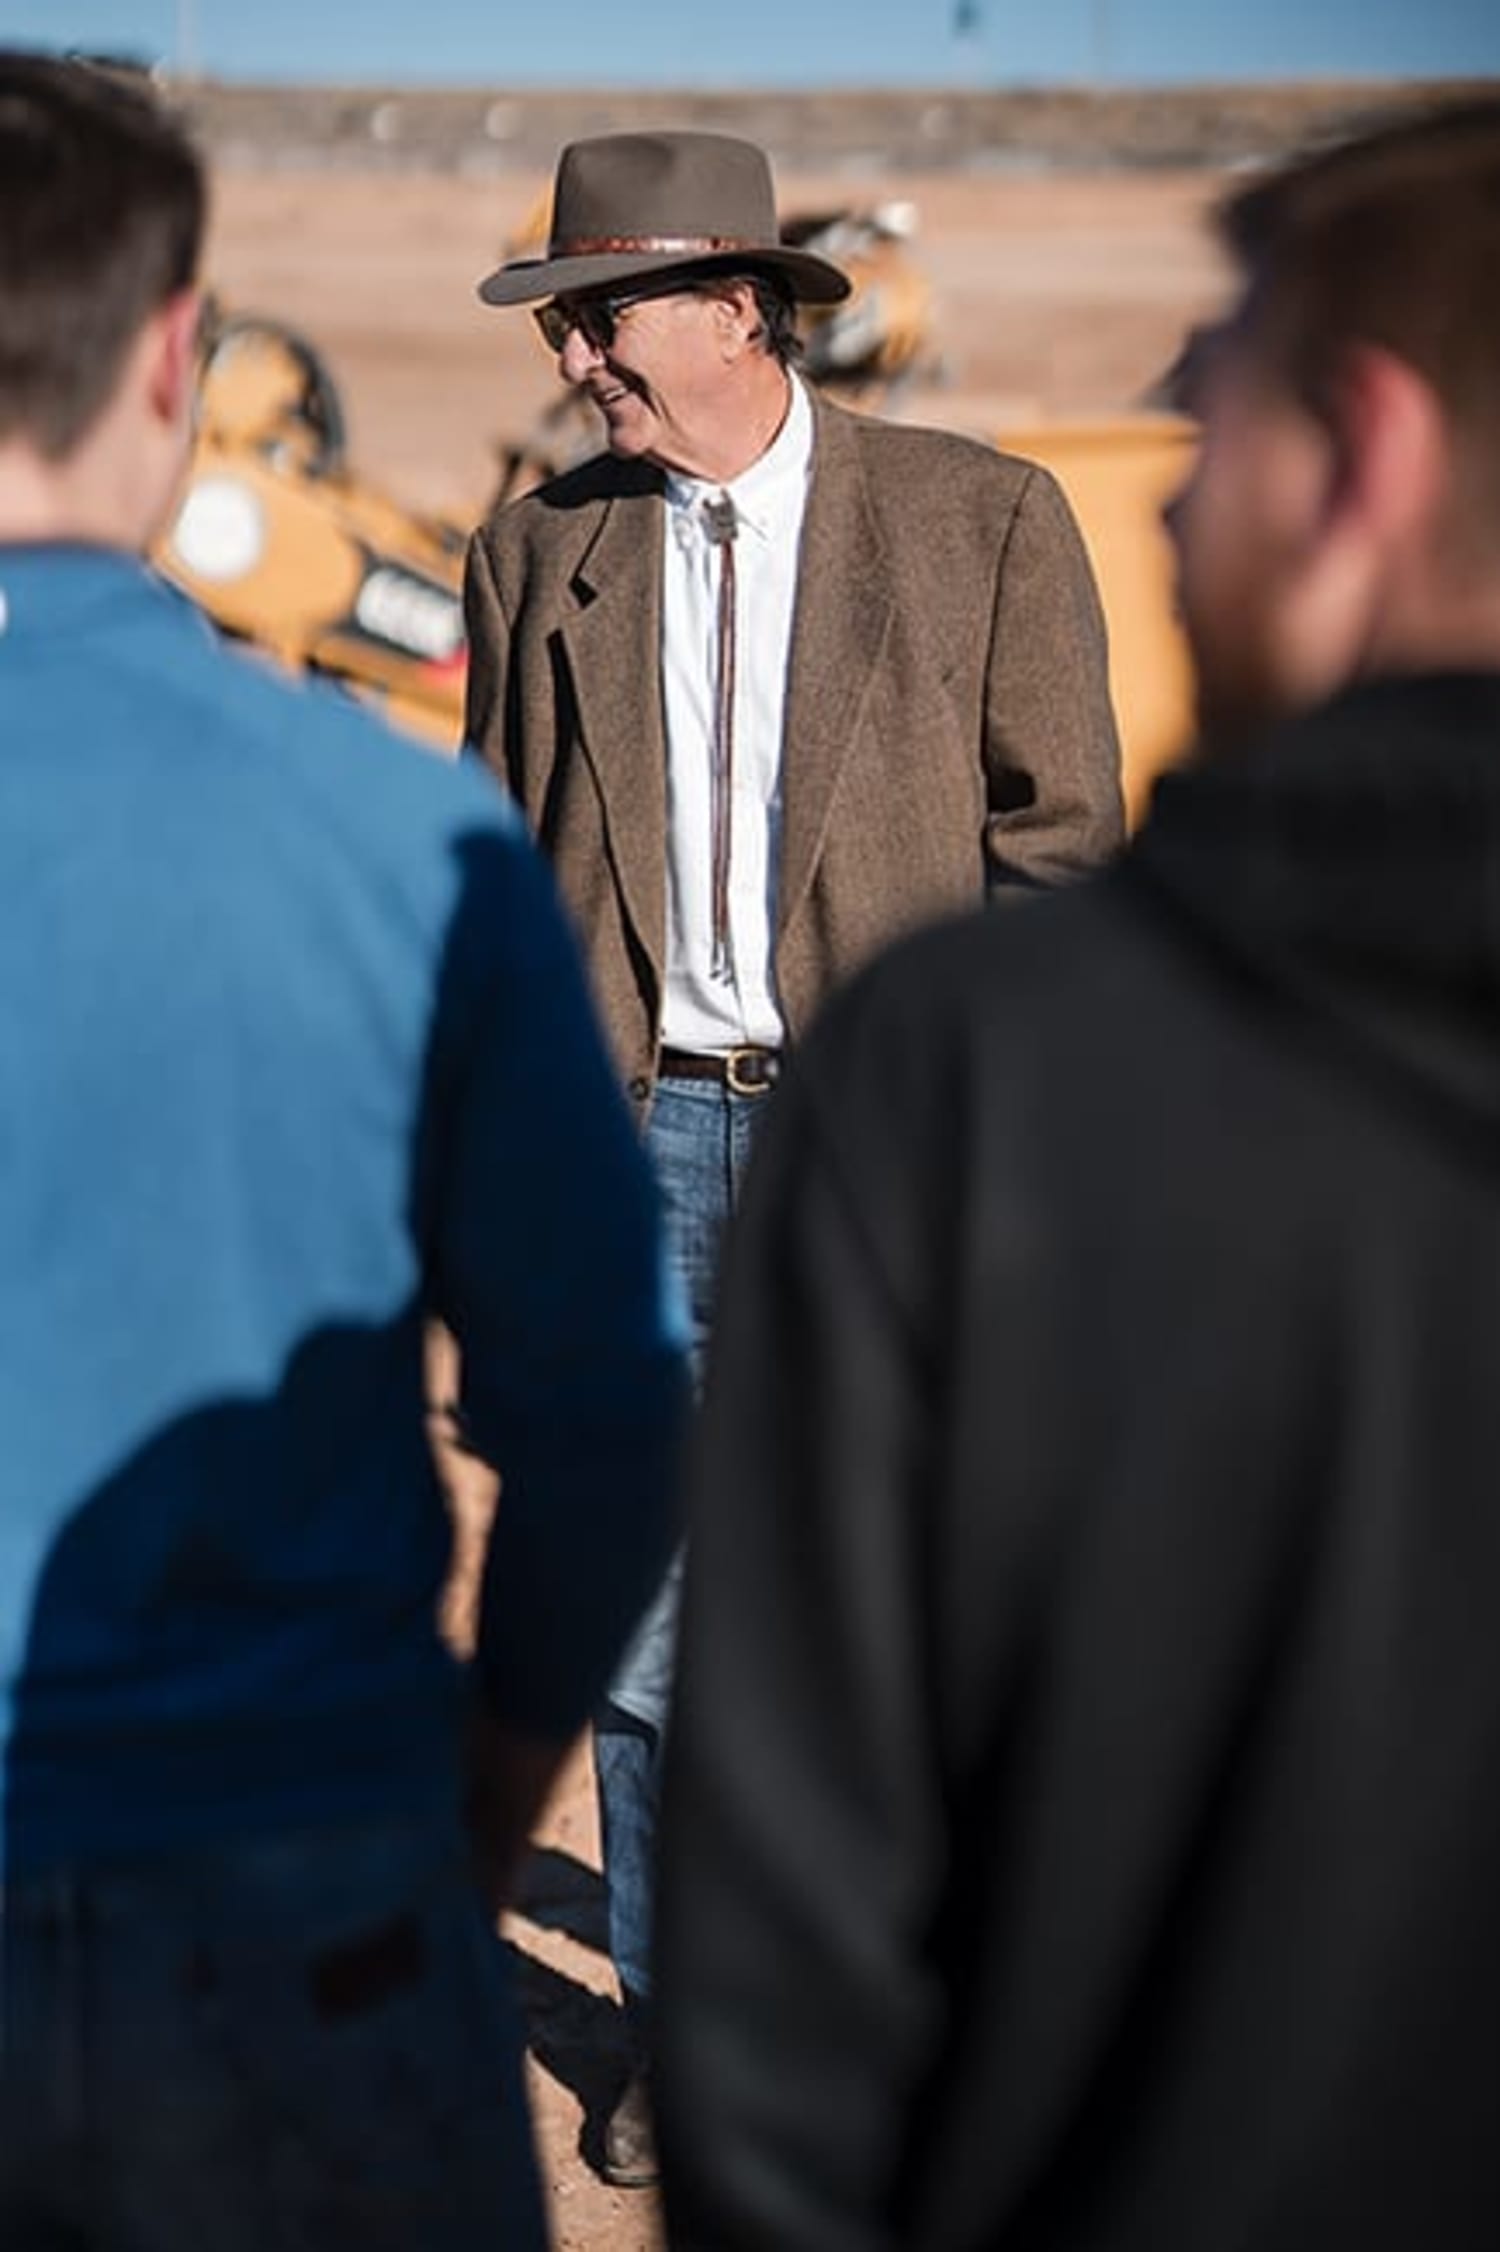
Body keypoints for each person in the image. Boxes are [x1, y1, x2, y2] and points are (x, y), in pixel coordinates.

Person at [655, 96, 1500, 2250]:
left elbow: (804, 1961)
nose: (1187, 498)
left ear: (1366, 460)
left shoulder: (974, 1086)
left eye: (1209, 431)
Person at [0, 54, 685, 2251]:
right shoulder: (399, 838)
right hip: (305, 1916)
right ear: (182, 358)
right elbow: (600, 1419)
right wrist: (488, 1795)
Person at [463, 126, 1123, 2182]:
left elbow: (1064, 856)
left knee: (896, 1603)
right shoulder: (532, 552)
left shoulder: (985, 523)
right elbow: (498, 878)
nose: (576, 357)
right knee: (652, 1632)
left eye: (603, 314)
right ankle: (679, 2020)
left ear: (738, 309)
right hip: (628, 1147)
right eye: (561, 321)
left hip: (884, 1152)